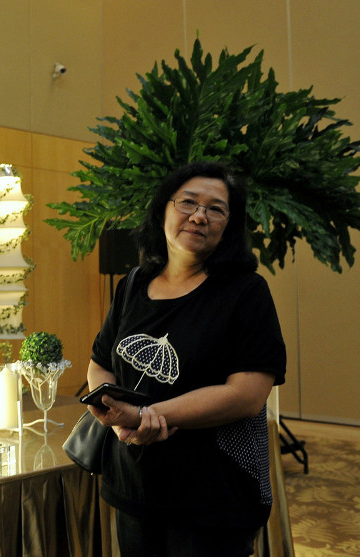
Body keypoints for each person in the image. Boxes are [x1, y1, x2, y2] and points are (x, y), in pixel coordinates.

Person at [87, 162, 286, 556]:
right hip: (134, 485)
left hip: (214, 497)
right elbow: (99, 363)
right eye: (188, 203)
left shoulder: (246, 292)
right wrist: (114, 421)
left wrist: (147, 416)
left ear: (229, 225)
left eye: (216, 209)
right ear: (163, 209)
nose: (199, 215)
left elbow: (247, 394)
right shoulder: (133, 284)